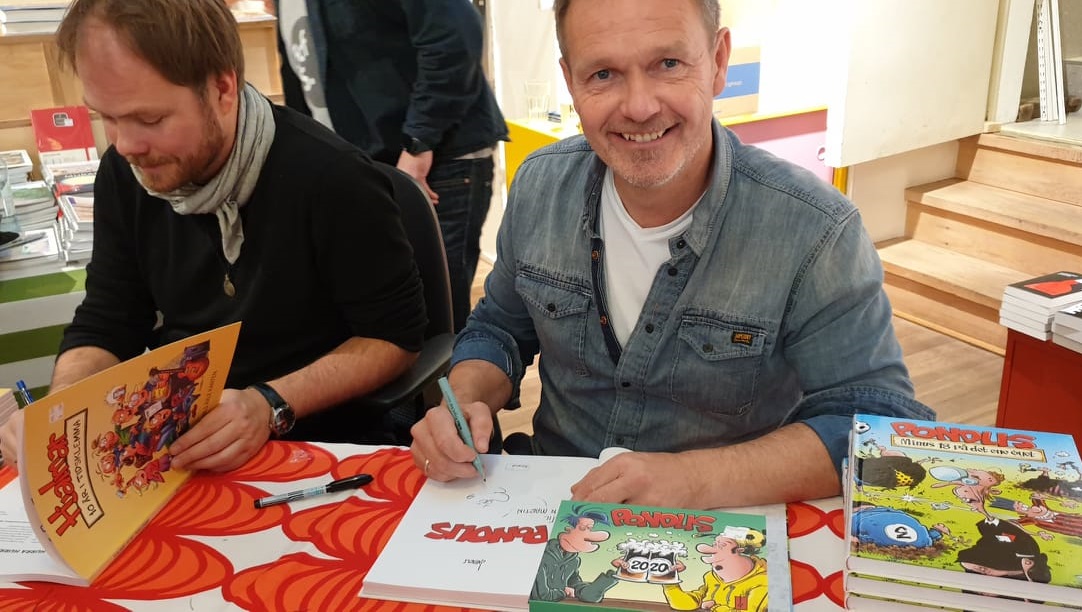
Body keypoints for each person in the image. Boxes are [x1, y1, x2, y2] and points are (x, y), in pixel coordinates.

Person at [409, 0, 934, 509]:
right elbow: (501, 326)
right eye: (603, 74)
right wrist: (465, 398)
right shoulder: (540, 186)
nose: (639, 107)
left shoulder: (814, 228)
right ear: (571, 81)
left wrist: (695, 480)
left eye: (668, 63)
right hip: (551, 504)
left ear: (718, 62)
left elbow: (878, 428)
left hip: (724, 527)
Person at [0, 0, 427, 473]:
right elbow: (108, 320)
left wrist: (268, 404)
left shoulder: (333, 178)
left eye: (150, 119)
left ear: (222, 90)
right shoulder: (124, 175)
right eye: (107, 117)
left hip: (320, 445)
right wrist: (61, 410)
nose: (125, 145)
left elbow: (395, 338)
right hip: (184, 445)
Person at [273, 0, 509, 332]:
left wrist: (418, 143)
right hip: (368, 168)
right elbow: (303, 77)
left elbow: (456, 37)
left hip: (434, 160)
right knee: (386, 315)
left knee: (433, 325)